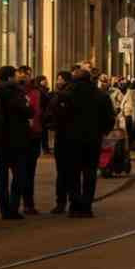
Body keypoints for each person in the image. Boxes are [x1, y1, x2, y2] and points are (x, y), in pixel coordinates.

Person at [62, 68, 115, 217]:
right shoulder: (101, 96)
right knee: (90, 172)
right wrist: (103, 132)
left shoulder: (66, 95)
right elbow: (110, 118)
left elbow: (56, 115)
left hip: (71, 140)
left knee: (72, 173)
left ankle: (74, 205)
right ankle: (86, 206)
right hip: (92, 139)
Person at [0, 66, 34, 220]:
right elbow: (28, 111)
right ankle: (13, 207)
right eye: (14, 75)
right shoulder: (17, 92)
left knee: (2, 176)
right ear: (9, 78)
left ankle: (4, 209)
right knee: (19, 175)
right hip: (17, 139)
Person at [17, 66, 44, 214]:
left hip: (34, 135)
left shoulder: (36, 92)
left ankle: (28, 203)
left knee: (29, 170)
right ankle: (19, 203)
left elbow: (43, 112)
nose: (23, 77)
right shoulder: (14, 92)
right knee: (20, 171)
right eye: (21, 74)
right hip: (20, 135)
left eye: (26, 75)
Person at [45, 71, 74, 214]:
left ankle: (61, 202)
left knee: (62, 172)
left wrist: (52, 124)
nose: (57, 81)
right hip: (77, 138)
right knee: (74, 171)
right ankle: (76, 202)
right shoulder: (77, 95)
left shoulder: (60, 96)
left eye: (59, 79)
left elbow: (50, 115)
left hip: (63, 137)